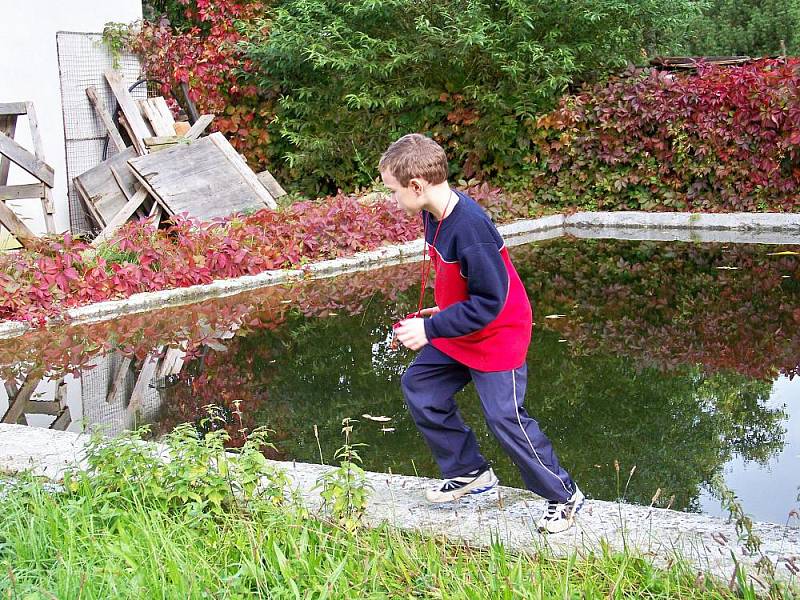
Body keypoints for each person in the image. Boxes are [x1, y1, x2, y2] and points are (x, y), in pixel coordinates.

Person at [380, 133, 583, 534]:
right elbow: (464, 281)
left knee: (504, 417)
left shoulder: (471, 228)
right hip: (461, 325)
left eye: (394, 191)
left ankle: (565, 495)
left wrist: (431, 328)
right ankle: (470, 473)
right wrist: (443, 310)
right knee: (421, 386)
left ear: (417, 186)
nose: (393, 200)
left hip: (496, 333)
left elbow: (491, 301)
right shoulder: (432, 215)